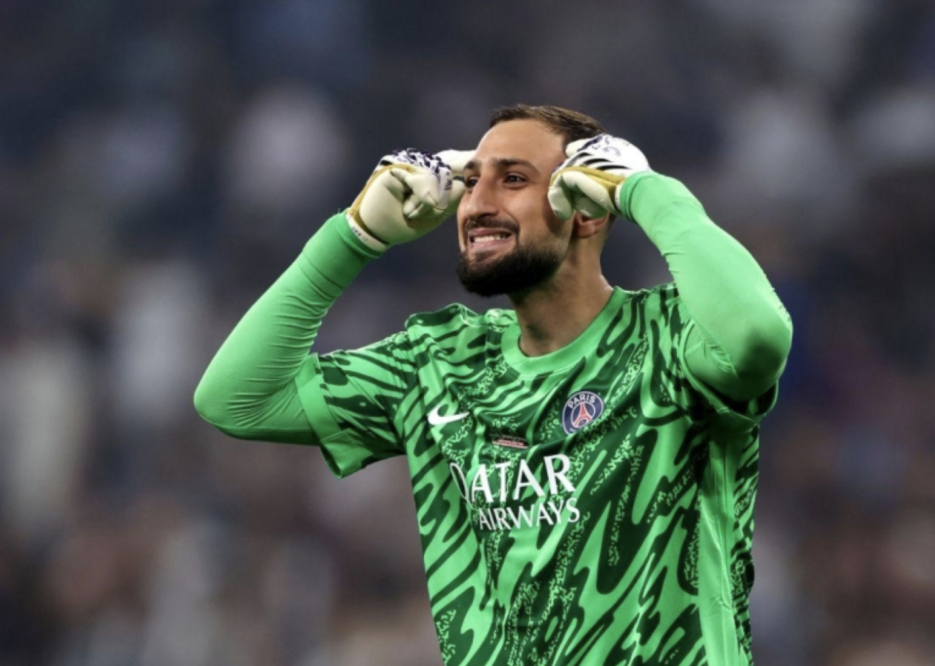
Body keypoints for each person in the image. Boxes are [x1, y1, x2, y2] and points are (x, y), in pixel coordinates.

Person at [194, 104, 793, 666]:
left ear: (587, 208)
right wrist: (352, 237)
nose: (475, 203)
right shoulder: (441, 361)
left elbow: (758, 334)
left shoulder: (671, 341)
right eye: (470, 181)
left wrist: (646, 191)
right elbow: (237, 399)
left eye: (512, 180)